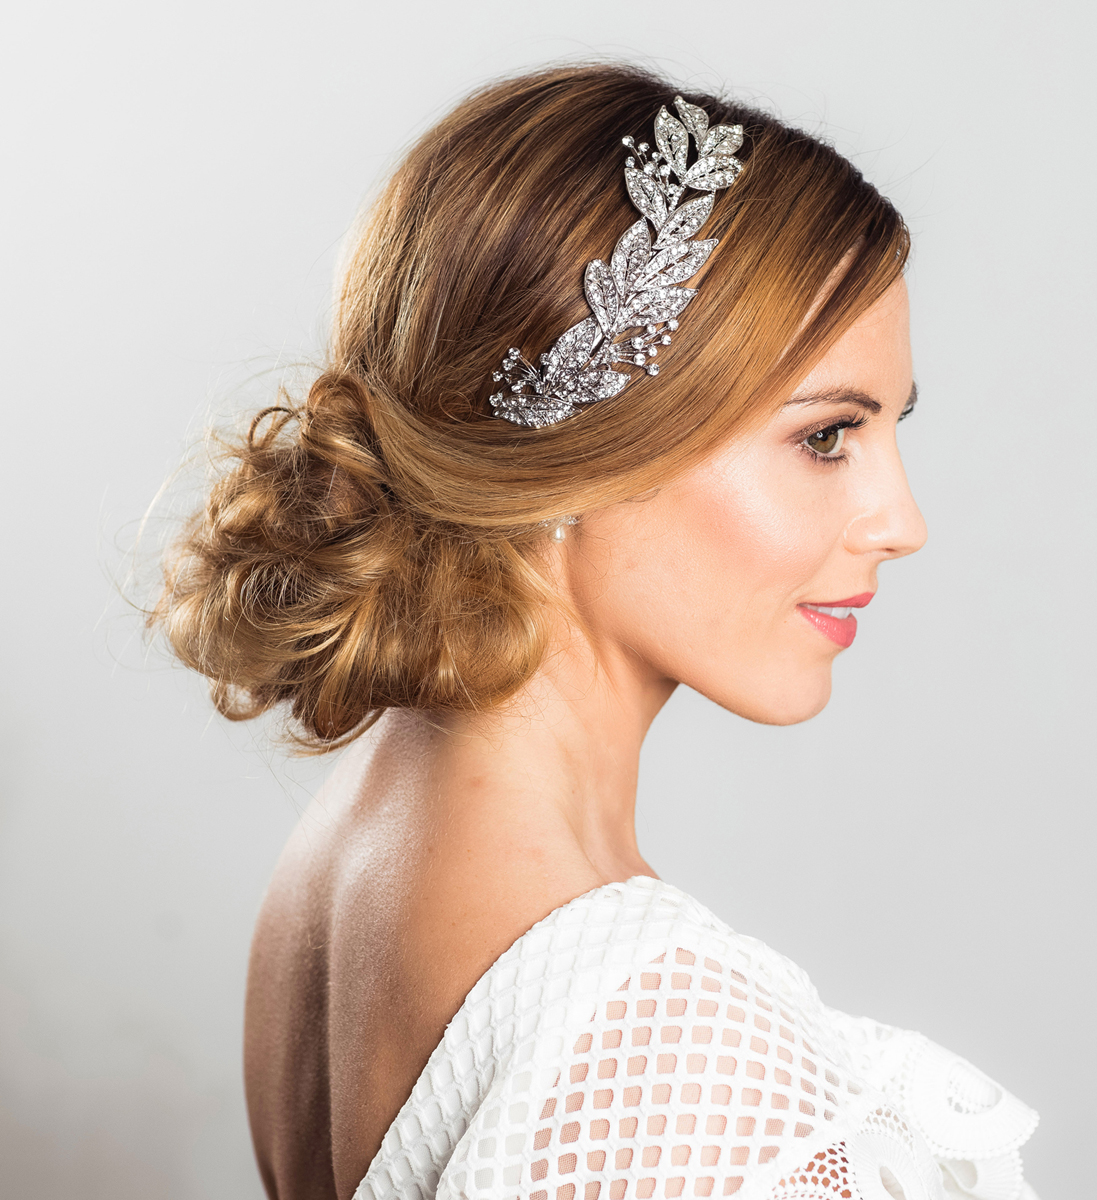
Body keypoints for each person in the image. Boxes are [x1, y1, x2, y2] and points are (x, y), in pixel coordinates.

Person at [152, 63, 1039, 1200]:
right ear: (585, 452)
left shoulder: (348, 859)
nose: (901, 523)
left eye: (888, 431)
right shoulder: (668, 1049)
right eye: (826, 437)